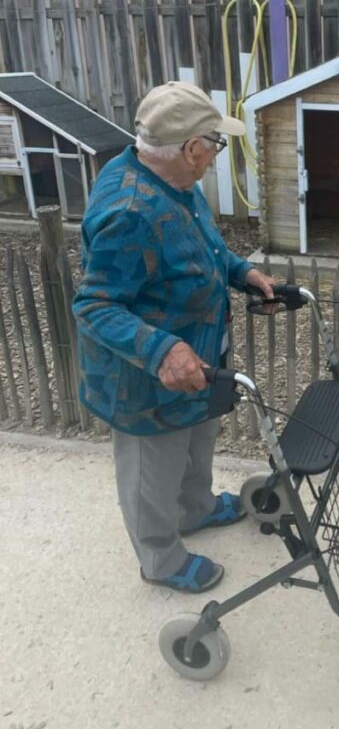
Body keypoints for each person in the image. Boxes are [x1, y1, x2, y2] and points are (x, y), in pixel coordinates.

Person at [72, 80, 275, 594]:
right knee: (152, 469)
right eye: (214, 145)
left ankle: (196, 508)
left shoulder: (175, 183)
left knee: (197, 440)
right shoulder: (129, 210)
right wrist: (163, 350)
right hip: (144, 378)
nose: (214, 156)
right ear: (190, 148)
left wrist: (240, 272)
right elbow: (95, 305)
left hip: (198, 359)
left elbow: (200, 248)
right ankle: (159, 558)